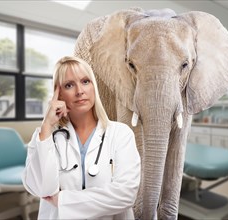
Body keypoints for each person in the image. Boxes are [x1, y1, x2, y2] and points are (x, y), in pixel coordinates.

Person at [22, 56, 140, 219]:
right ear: (59, 94)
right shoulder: (48, 137)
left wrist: (63, 201)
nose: (79, 91)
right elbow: (42, 189)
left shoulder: (120, 134)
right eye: (69, 85)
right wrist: (46, 126)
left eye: (85, 81)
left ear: (94, 86)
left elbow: (126, 195)